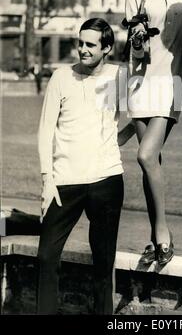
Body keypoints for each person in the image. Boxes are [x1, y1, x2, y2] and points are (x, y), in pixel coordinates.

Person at [37, 18, 124, 314]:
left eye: (90, 45)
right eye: (80, 43)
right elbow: (45, 130)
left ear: (107, 48)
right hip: (64, 183)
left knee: (103, 264)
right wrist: (47, 179)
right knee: (47, 256)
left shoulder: (119, 78)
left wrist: (115, 140)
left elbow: (146, 120)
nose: (83, 50)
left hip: (107, 180)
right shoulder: (61, 77)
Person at [124, 0, 182, 266]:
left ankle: (162, 233)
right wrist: (137, 39)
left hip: (169, 85)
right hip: (138, 86)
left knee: (146, 156)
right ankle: (156, 238)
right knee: (152, 166)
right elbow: (136, 53)